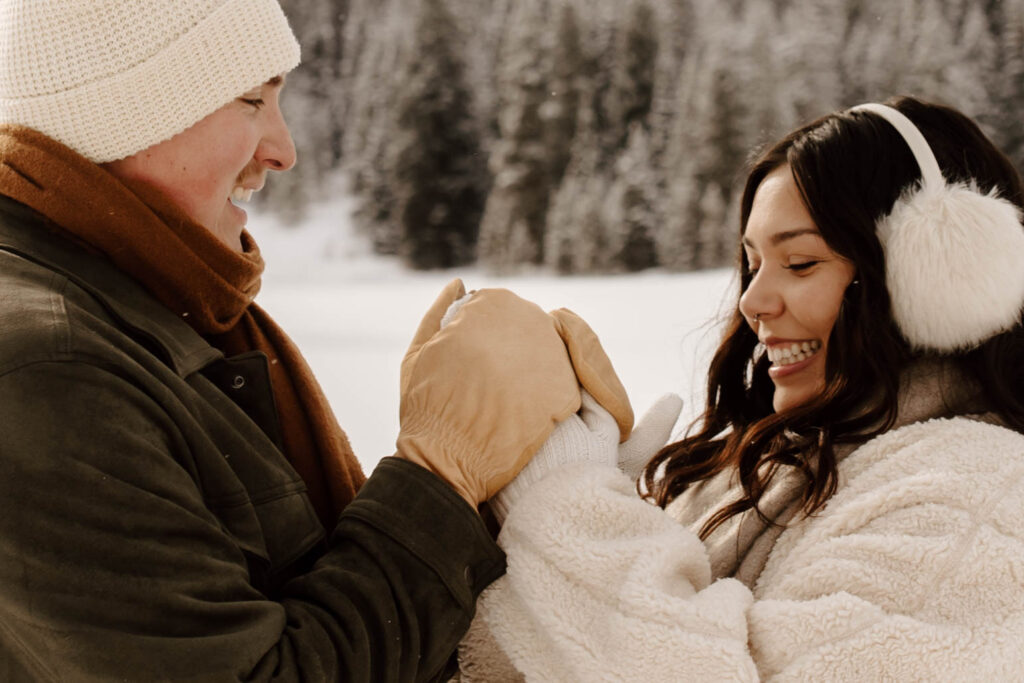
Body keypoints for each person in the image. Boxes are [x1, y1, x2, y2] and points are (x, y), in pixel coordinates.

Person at [0, 1, 638, 680]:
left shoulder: (160, 315)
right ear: (120, 110)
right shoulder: (47, 373)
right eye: (251, 99)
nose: (283, 149)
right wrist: (440, 471)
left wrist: (516, 466)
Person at [458, 96, 1024, 681]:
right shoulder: (782, 461)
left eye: (800, 263)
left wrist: (568, 513)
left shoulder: (974, 502)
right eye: (752, 264)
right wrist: (599, 516)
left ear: (937, 280)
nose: (752, 302)